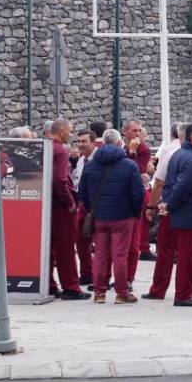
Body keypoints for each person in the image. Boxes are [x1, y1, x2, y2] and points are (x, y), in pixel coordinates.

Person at [79, 128, 145, 303]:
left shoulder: (91, 164)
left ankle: (99, 293)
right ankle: (121, 293)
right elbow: (137, 193)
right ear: (119, 143)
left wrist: (91, 208)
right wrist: (135, 213)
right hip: (123, 217)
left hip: (99, 216)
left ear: (101, 143)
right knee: (120, 255)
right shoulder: (129, 165)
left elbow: (82, 192)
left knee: (100, 255)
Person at [159, 122, 192, 307]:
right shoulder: (190, 159)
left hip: (191, 213)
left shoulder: (184, 155)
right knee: (189, 257)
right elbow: (183, 186)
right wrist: (170, 205)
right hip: (189, 214)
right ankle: (183, 294)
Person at [46, 119, 89, 300]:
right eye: (70, 131)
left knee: (49, 247)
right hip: (61, 206)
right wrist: (71, 203)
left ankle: (48, 284)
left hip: (47, 204)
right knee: (66, 248)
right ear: (62, 131)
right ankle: (71, 286)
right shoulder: (60, 151)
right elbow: (60, 180)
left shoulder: (46, 147)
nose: (71, 135)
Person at [144, 123, 184, 300]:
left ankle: (159, 289)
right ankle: (191, 289)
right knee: (190, 252)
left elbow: (159, 182)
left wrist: (151, 206)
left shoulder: (169, 152)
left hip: (169, 206)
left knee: (166, 249)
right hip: (191, 208)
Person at [123, 120, 155, 265]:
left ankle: (129, 276)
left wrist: (132, 152)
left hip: (136, 194)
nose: (137, 134)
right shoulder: (117, 146)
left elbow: (136, 171)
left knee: (136, 229)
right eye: (134, 131)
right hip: (119, 195)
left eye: (139, 131)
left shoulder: (143, 150)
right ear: (125, 132)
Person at [72, 129, 97, 286]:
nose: (81, 144)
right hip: (83, 205)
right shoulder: (81, 161)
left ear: (93, 143)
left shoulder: (99, 159)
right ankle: (87, 273)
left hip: (98, 205)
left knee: (100, 242)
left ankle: (101, 275)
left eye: (84, 141)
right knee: (81, 241)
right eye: (79, 141)